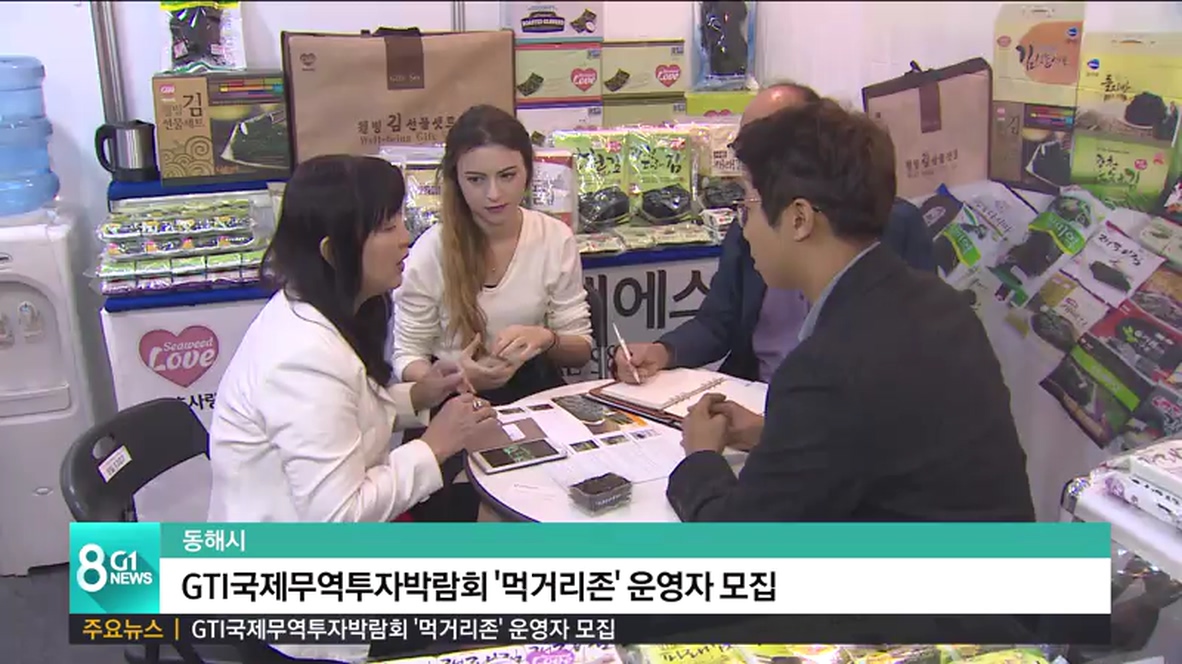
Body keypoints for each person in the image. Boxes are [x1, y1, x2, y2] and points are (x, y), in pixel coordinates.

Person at [666, 98, 1035, 523]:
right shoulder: (941, 305)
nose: (744, 229)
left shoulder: (826, 367)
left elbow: (738, 539)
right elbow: (889, 439)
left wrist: (700, 457)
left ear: (799, 219)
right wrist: (776, 436)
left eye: (748, 208)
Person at [207, 156, 500, 661]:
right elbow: (339, 518)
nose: (406, 239)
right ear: (333, 250)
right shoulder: (301, 357)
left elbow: (345, 411)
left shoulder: (320, 311)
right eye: (387, 227)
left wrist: (419, 395)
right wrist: (435, 446)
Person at [614, 82, 937, 386]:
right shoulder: (750, 226)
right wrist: (663, 352)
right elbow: (717, 322)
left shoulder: (889, 238)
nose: (747, 224)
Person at [393, 104, 593, 407]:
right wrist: (454, 378)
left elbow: (581, 348)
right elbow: (407, 356)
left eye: (507, 175)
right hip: (452, 399)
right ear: (457, 180)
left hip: (532, 391)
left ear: (528, 173)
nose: (494, 194)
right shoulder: (430, 251)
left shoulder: (554, 237)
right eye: (476, 179)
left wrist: (545, 338)